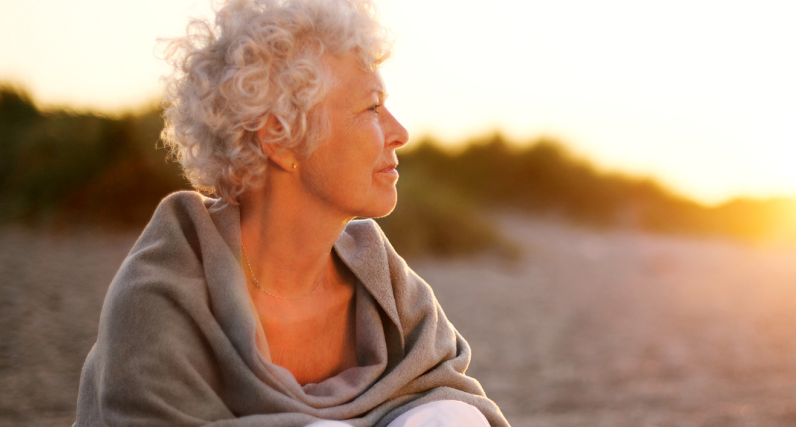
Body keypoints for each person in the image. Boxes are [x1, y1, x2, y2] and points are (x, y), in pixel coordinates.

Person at [73, 0, 508, 425]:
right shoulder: (163, 293)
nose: (400, 132)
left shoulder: (383, 280)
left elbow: (451, 394)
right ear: (280, 137)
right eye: (371, 107)